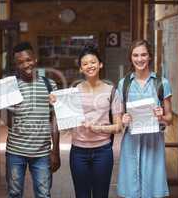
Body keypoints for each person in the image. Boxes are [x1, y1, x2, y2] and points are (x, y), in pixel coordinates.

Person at [50, 45, 123, 198]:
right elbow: (65, 123)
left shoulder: (112, 91)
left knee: (100, 195)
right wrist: (57, 104)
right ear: (80, 69)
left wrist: (97, 128)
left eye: (93, 62)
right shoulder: (74, 91)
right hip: (78, 152)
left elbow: (118, 127)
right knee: (81, 195)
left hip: (103, 151)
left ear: (100, 64)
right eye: (85, 64)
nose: (89, 66)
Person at [117, 39, 173, 198]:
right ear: (130, 57)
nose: (139, 59)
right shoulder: (124, 84)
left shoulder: (162, 83)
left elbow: (170, 119)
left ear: (150, 57)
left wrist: (161, 116)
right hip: (131, 141)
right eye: (135, 55)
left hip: (153, 141)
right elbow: (119, 117)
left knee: (152, 190)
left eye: (143, 55)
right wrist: (123, 119)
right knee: (131, 189)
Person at [5, 42, 60, 198]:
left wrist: (55, 151)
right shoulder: (11, 87)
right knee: (14, 193)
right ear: (16, 65)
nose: (26, 65)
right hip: (15, 151)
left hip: (42, 152)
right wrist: (6, 106)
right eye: (20, 62)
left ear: (35, 59)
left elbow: (55, 120)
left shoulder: (50, 85)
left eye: (28, 60)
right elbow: (9, 123)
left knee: (43, 194)